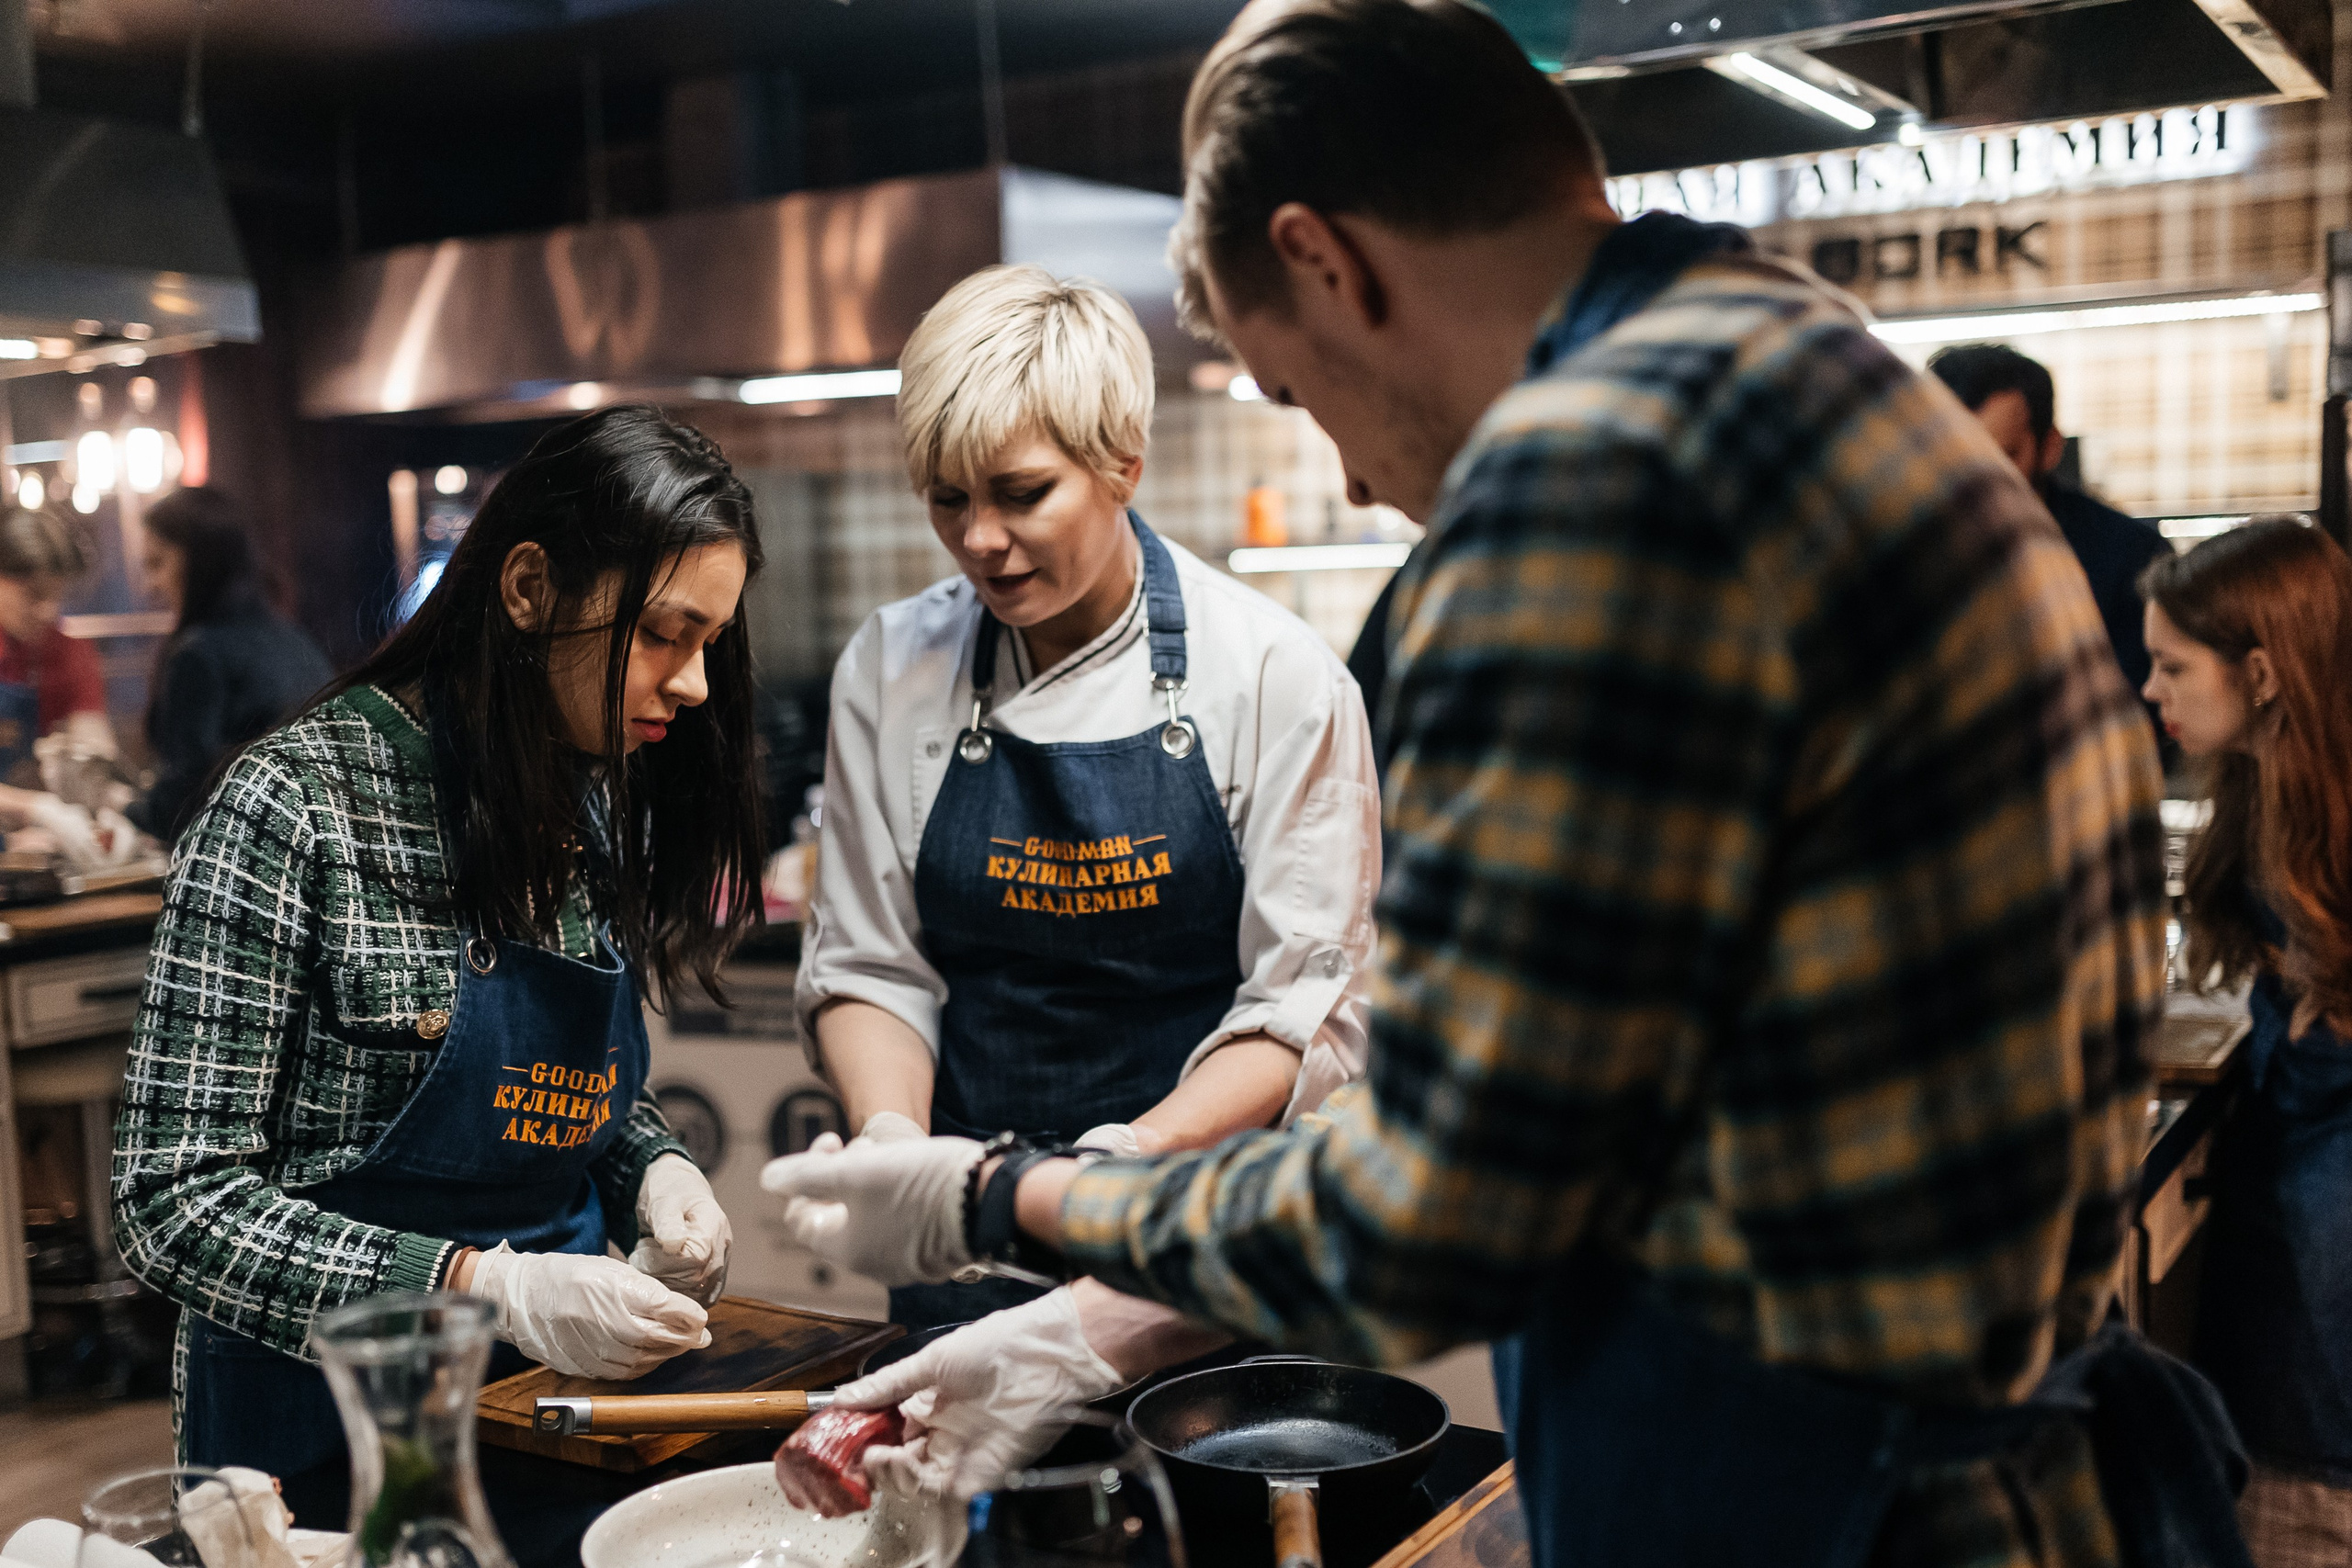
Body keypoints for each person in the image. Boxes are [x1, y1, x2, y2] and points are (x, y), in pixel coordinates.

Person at [761, 6, 2237, 1568]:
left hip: (1811, 1509)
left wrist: (1007, 1196)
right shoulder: (1808, 366)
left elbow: (1429, 1212)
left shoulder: (1582, 488)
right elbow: (1574, 1121)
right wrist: (1082, 1319)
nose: (1349, 476)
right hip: (1979, 1478)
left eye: (1300, 390)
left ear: (1329, 261)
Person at [113, 407, 757, 1561]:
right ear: (528, 588)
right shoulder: (292, 808)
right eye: (665, 634)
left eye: (710, 640)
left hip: (556, 1418)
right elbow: (174, 1203)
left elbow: (573, 1090)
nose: (696, 683)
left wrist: (650, 1168)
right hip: (322, 1455)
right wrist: (483, 1291)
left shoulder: (586, 799)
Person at [795, 262, 1380, 1332]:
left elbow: (1301, 1009)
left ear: (1122, 465)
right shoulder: (890, 666)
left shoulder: (1273, 676)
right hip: (961, 1253)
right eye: (947, 498)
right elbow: (872, 964)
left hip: (1191, 1244)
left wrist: (1115, 1167)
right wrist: (896, 1153)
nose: (979, 538)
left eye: (1020, 494)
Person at [2143, 518, 2352, 1566]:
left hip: (2321, 1328)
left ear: (2262, 673)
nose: (2150, 688)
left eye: (2173, 665)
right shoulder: (2278, 794)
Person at [1928, 344, 2170, 719]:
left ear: (2051, 448)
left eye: (2001, 456)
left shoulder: (2129, 558)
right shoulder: (1905, 554)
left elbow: (2141, 709)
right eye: (1952, 456)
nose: (1973, 478)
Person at [126, 486, 334, 843]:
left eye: (157, 564)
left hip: (252, 857)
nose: (150, 586)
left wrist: (121, 808)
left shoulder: (199, 656)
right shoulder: (296, 641)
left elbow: (184, 804)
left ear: (199, 562)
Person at [0, 505, 133, 863]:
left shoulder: (69, 652)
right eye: (34, 594)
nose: (48, 610)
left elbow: (92, 745)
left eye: (56, 595)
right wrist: (36, 809)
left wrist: (109, 802)